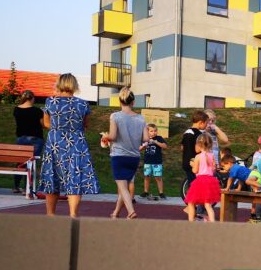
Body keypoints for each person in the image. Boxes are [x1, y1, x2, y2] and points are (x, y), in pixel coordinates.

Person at [38, 73, 98, 218]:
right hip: (76, 144)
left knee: (52, 177)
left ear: (59, 84)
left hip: (55, 143)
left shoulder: (51, 101)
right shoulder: (83, 104)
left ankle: (50, 214)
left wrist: (58, 128)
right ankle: (73, 214)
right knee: (75, 177)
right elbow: (85, 125)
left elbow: (47, 123)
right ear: (74, 85)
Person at [101, 87, 148, 219]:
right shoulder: (141, 118)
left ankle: (131, 211)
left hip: (119, 155)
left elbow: (112, 136)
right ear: (133, 102)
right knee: (124, 187)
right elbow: (146, 138)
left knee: (122, 187)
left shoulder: (115, 116)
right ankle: (116, 212)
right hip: (134, 157)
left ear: (120, 101)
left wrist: (105, 136)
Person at [13, 90, 44, 197]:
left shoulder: (16, 110)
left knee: (20, 162)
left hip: (21, 139)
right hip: (36, 139)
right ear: (32, 98)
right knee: (31, 163)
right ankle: (27, 188)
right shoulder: (37, 111)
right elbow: (43, 124)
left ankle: (16, 186)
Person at [183, 133, 220, 222]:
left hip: (200, 181)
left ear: (199, 145)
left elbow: (195, 171)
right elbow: (214, 170)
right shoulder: (212, 155)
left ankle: (191, 222)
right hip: (211, 181)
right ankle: (213, 222)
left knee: (191, 202)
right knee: (208, 205)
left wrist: (192, 165)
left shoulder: (198, 157)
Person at [180, 110, 210, 200]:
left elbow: (182, 147)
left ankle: (192, 202)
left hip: (187, 161)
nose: (206, 126)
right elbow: (197, 149)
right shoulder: (197, 134)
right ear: (201, 123)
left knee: (193, 182)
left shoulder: (187, 132)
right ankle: (191, 202)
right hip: (193, 162)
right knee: (195, 184)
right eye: (206, 123)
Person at [139, 123, 167, 200]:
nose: (153, 132)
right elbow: (139, 149)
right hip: (147, 162)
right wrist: (144, 145)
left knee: (158, 177)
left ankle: (161, 193)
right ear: (147, 132)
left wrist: (155, 142)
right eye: (151, 131)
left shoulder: (159, 138)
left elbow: (165, 146)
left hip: (157, 162)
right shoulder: (145, 139)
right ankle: (146, 192)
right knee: (147, 177)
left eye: (155, 131)